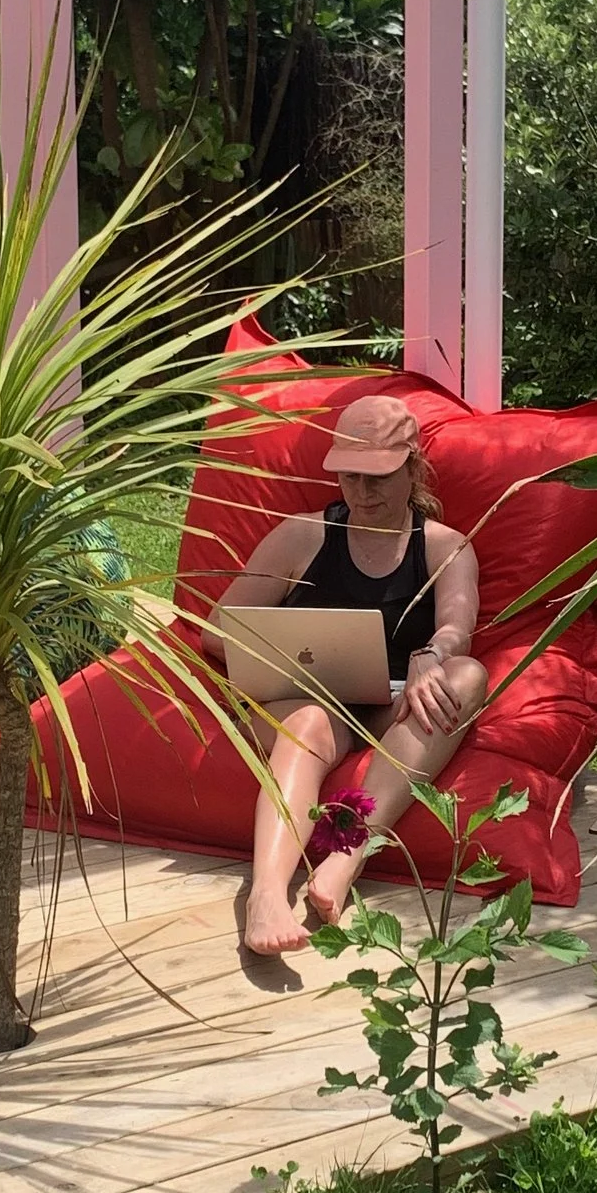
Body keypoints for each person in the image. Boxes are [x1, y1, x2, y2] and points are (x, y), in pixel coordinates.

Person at [210, 393, 488, 958]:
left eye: (378, 478)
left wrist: (433, 654)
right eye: (350, 477)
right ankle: (266, 894)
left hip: (389, 701)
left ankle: (347, 856)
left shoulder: (443, 546)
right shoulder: (301, 536)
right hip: (302, 699)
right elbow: (217, 627)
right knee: (309, 721)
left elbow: (458, 625)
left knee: (467, 676)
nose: (363, 493)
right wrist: (290, 657)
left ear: (413, 466)